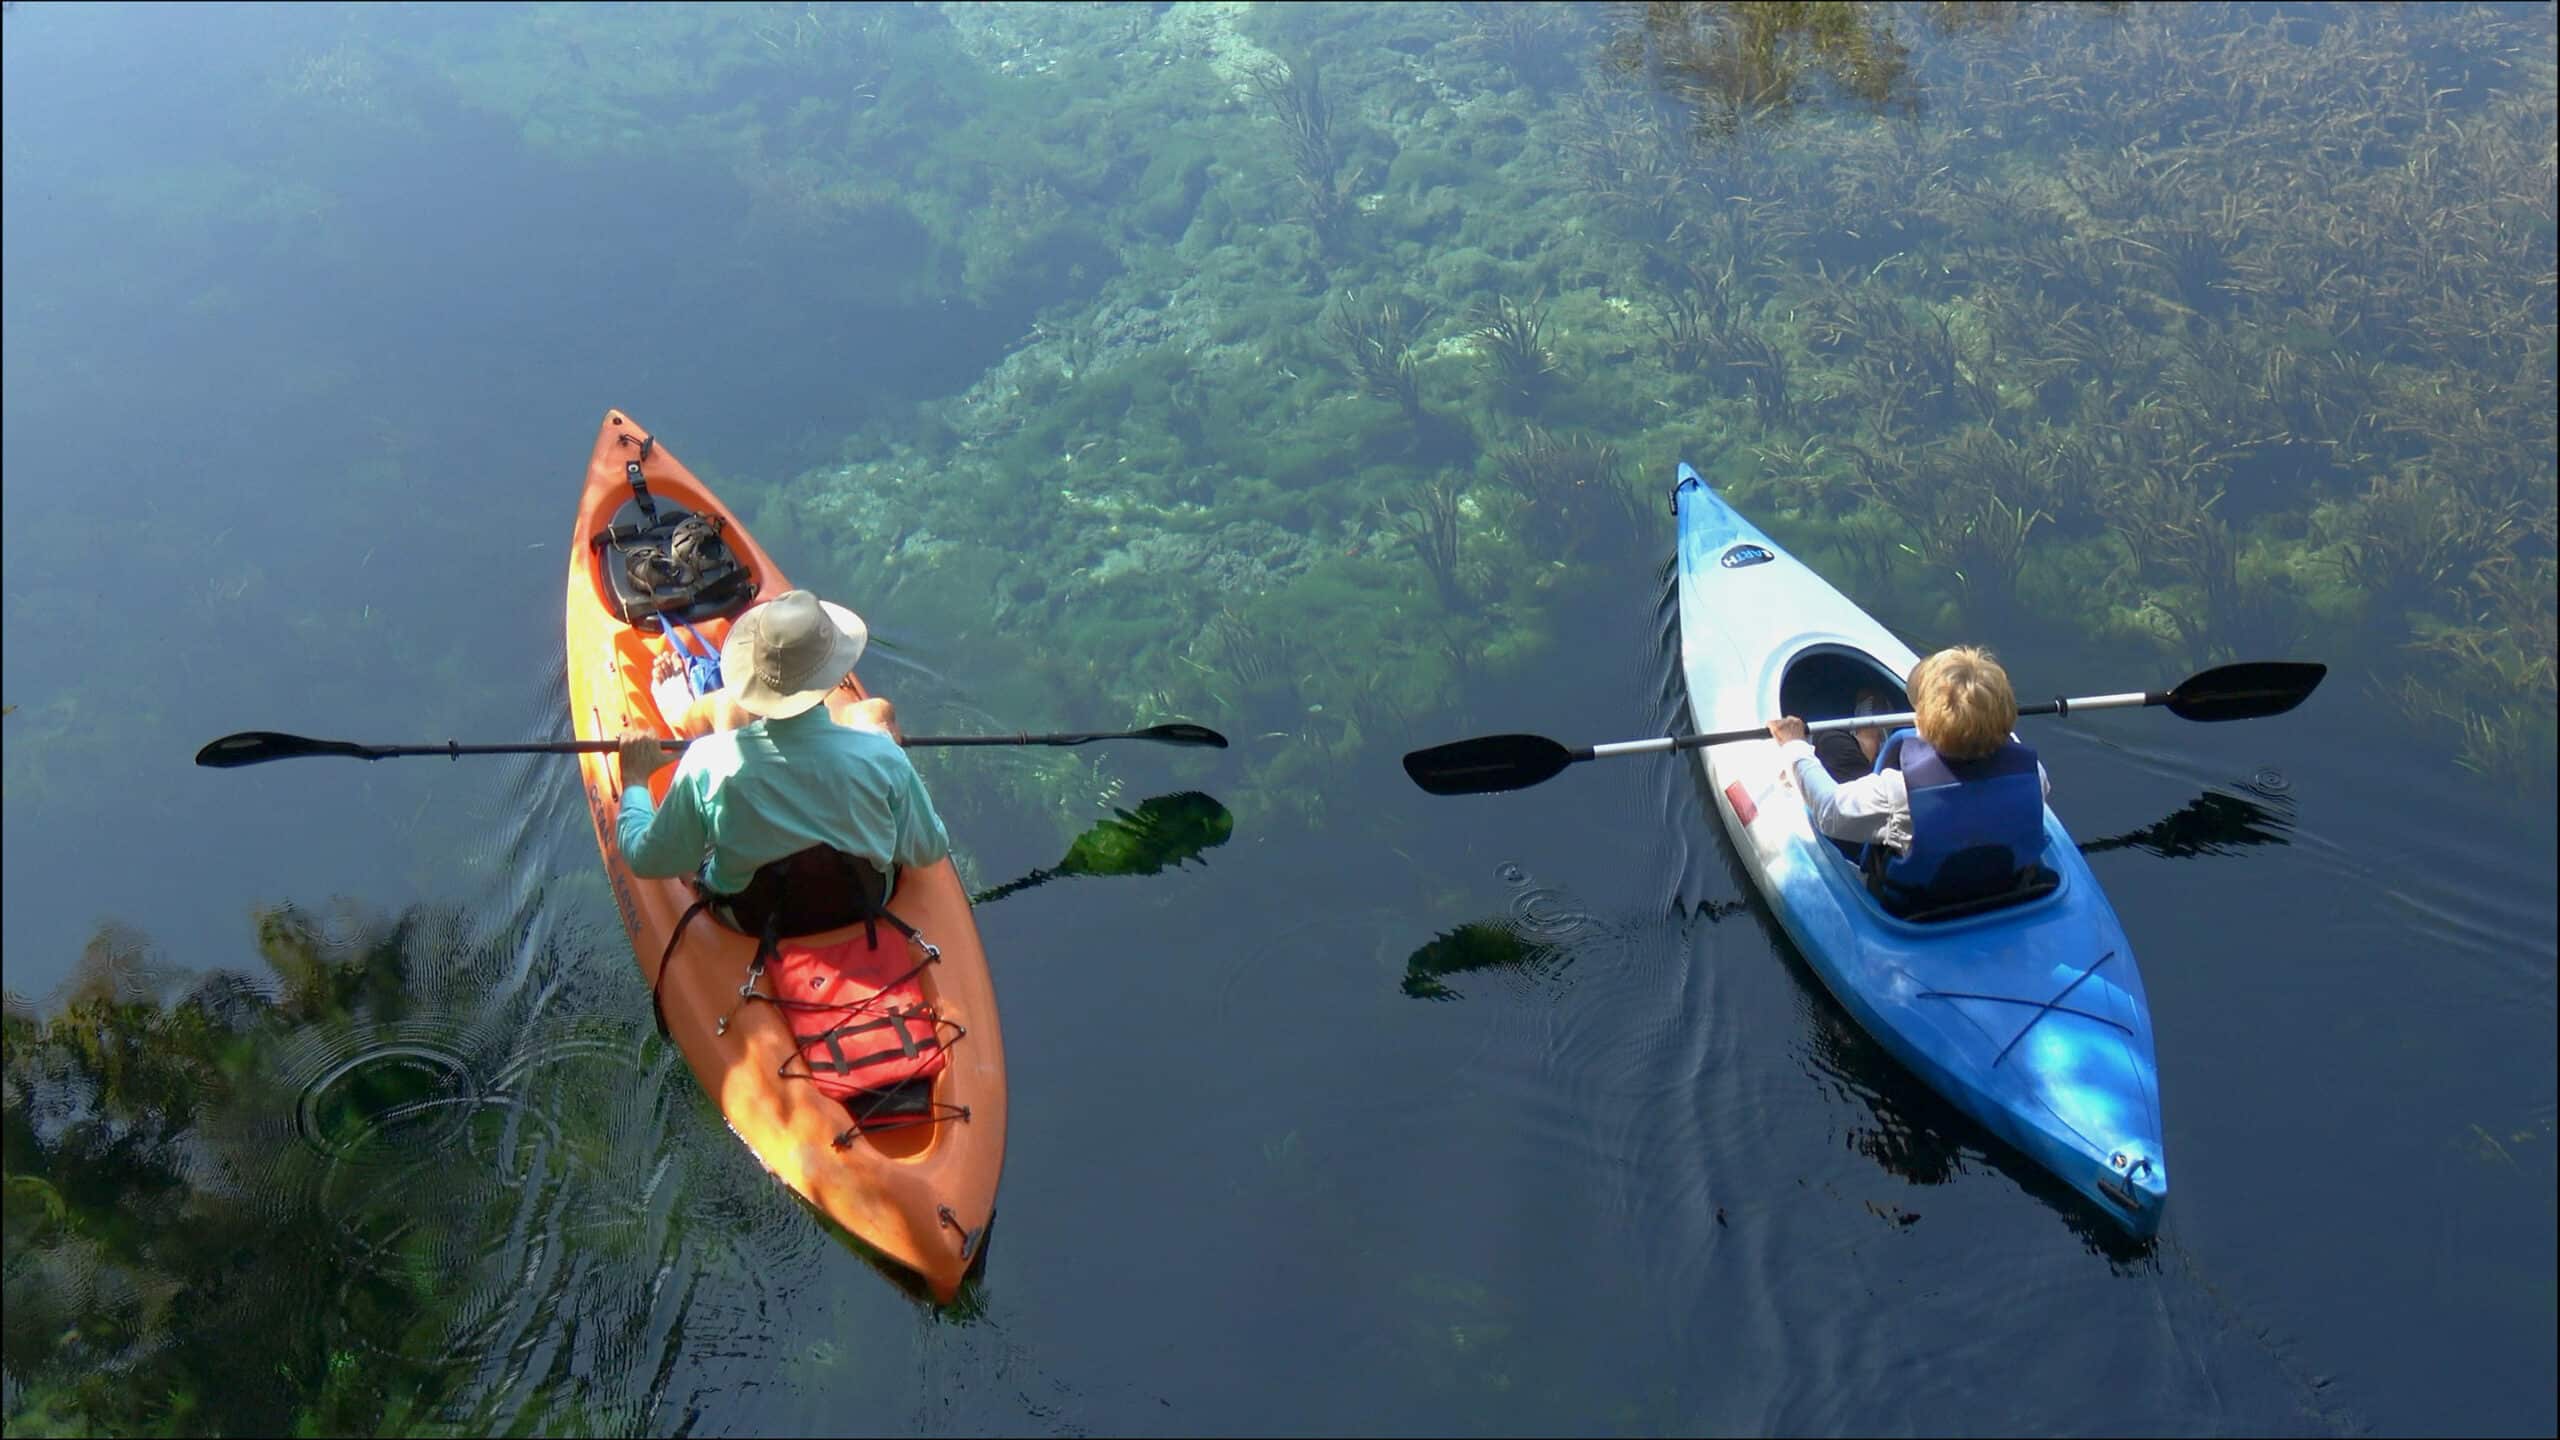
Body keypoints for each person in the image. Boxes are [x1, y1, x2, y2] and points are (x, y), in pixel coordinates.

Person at [615, 589, 950, 913]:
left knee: (727, 710)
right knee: (875, 715)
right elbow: (930, 848)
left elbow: (647, 860)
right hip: (865, 901)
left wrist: (634, 780)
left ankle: (681, 711)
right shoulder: (883, 755)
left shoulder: (705, 763)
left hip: (749, 915)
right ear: (834, 676)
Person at [1767, 646, 2050, 913]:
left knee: (1831, 743)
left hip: (1917, 906)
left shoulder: (1897, 791)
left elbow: (1829, 811)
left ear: (1920, 725)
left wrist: (1795, 746)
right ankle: (1868, 740)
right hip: (2004, 888)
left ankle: (1867, 743)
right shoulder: (2033, 773)